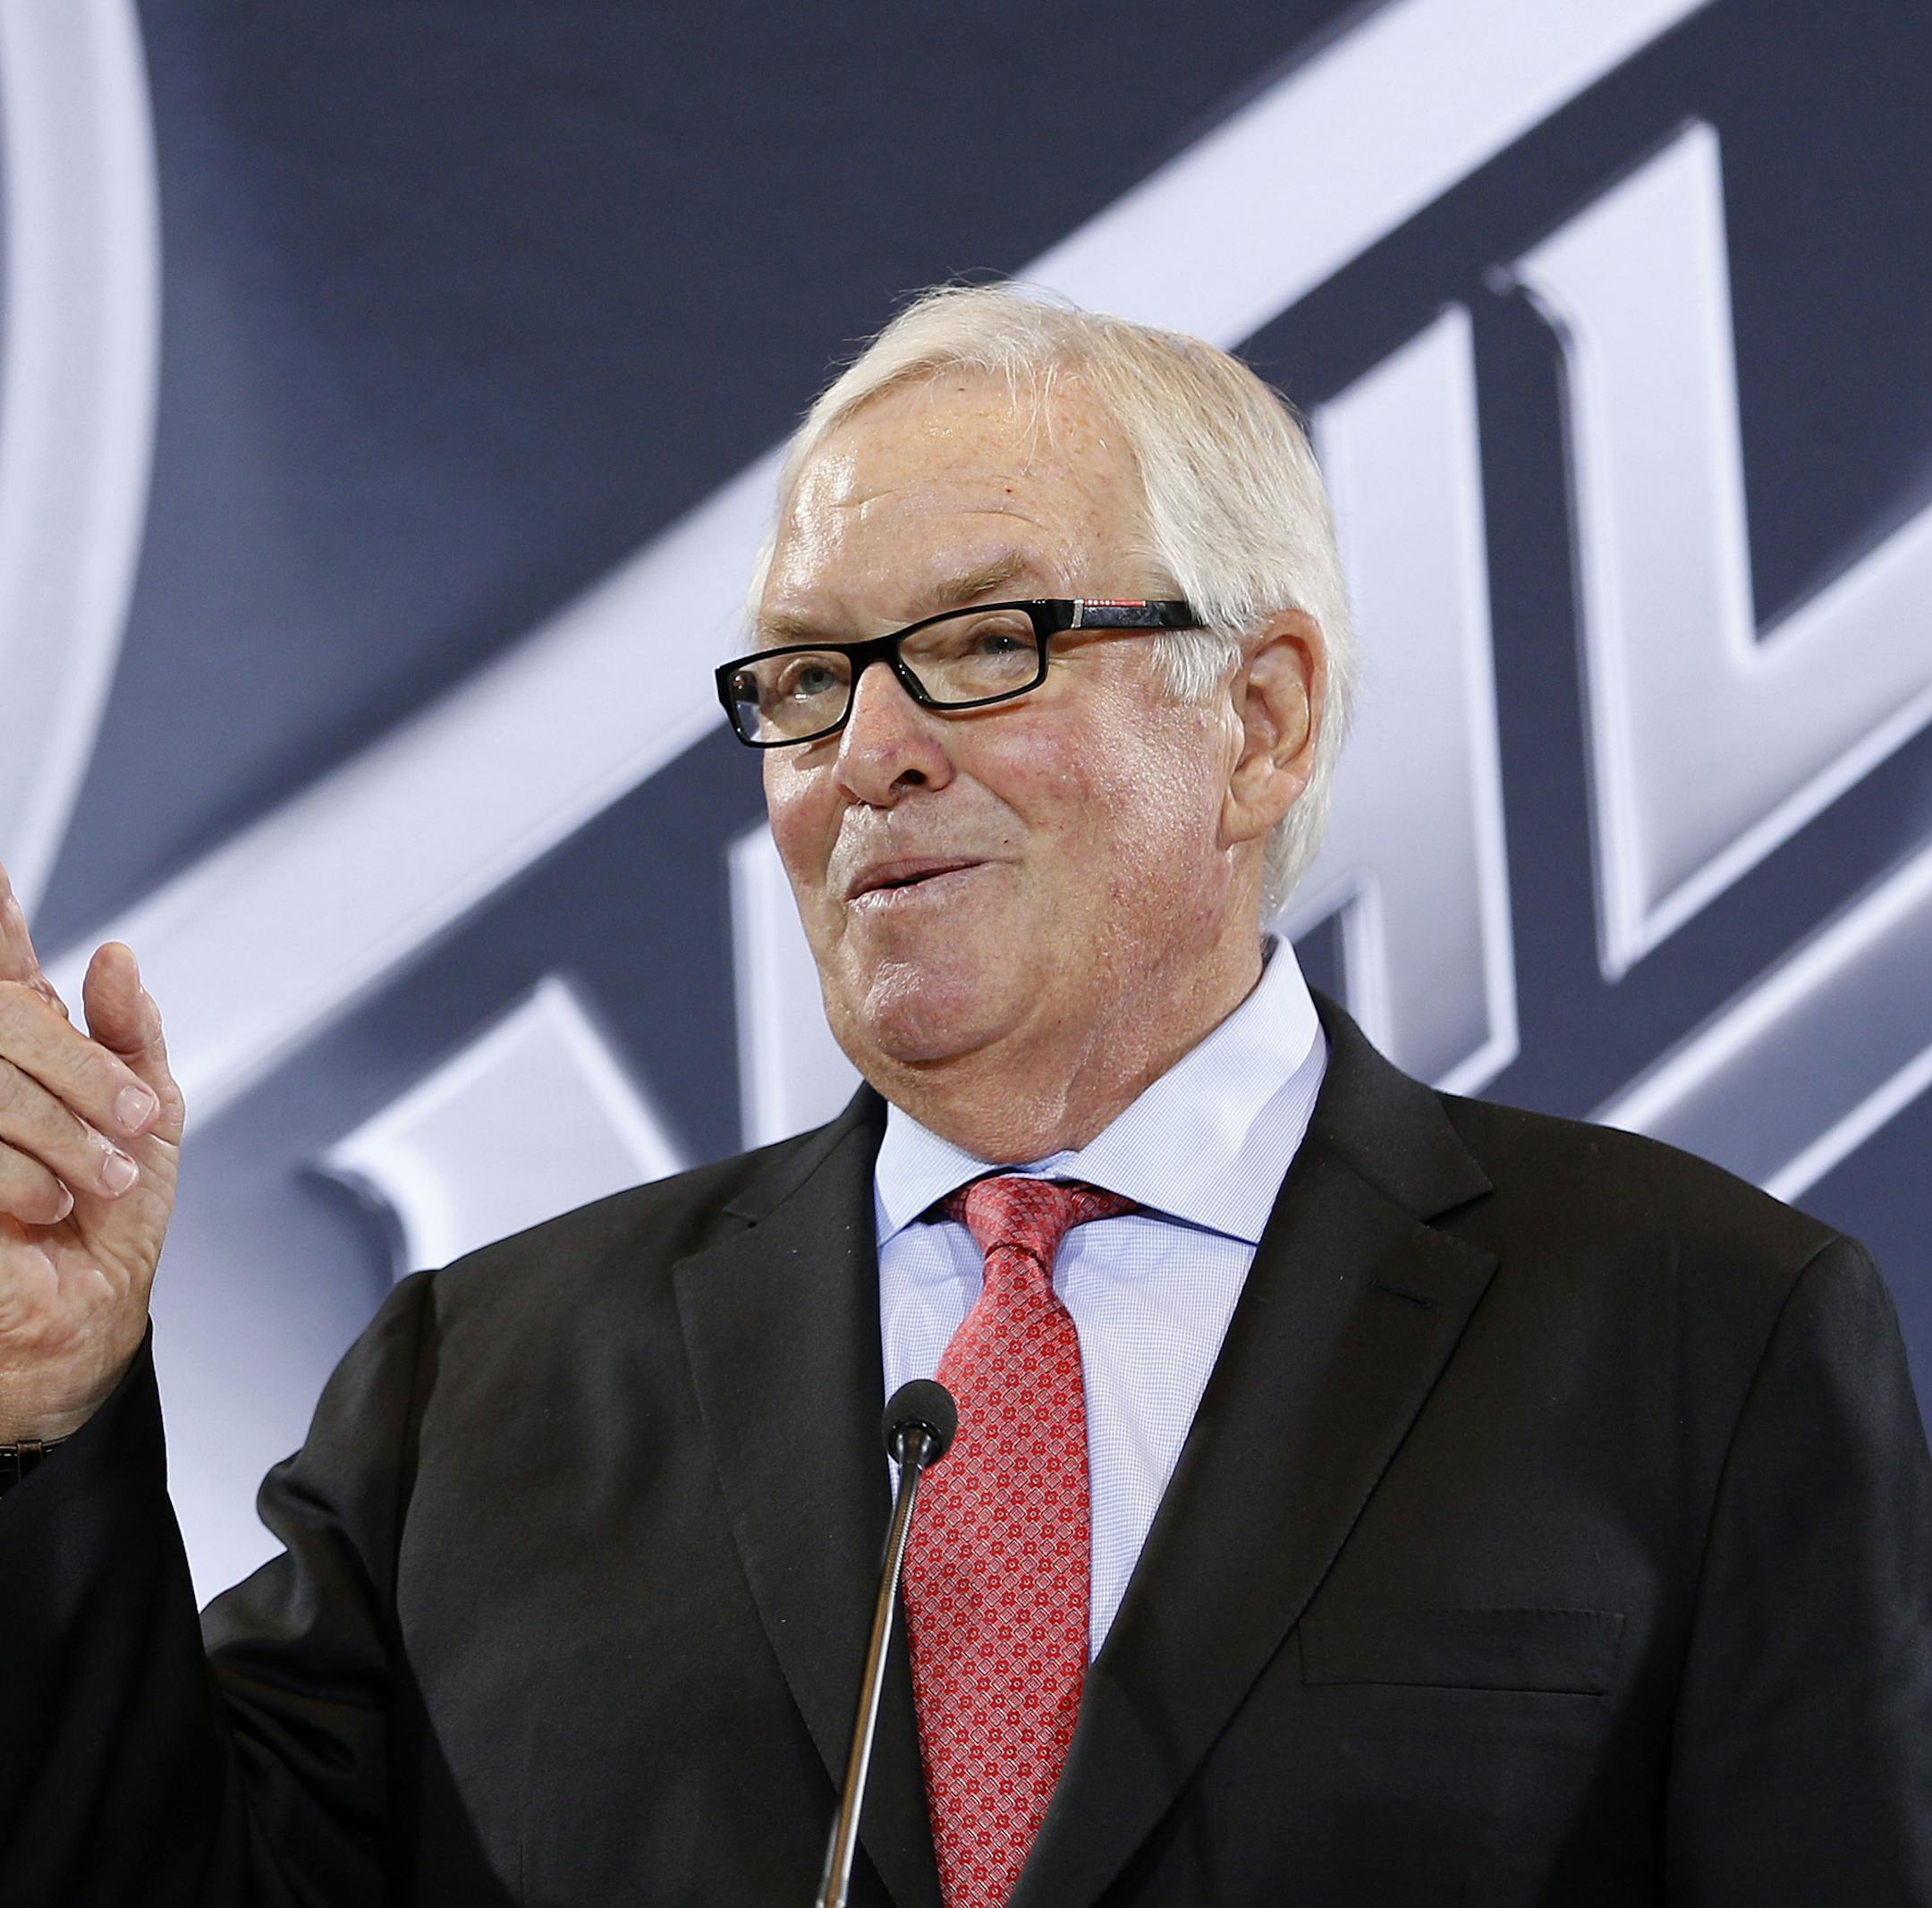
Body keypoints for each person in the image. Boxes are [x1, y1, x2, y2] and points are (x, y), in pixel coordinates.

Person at [2, 286, 1929, 1908]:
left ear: (1258, 715)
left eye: (986, 643)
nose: (871, 752)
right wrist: (51, 1425)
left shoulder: (1705, 1339)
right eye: (806, 677)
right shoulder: (481, 1385)